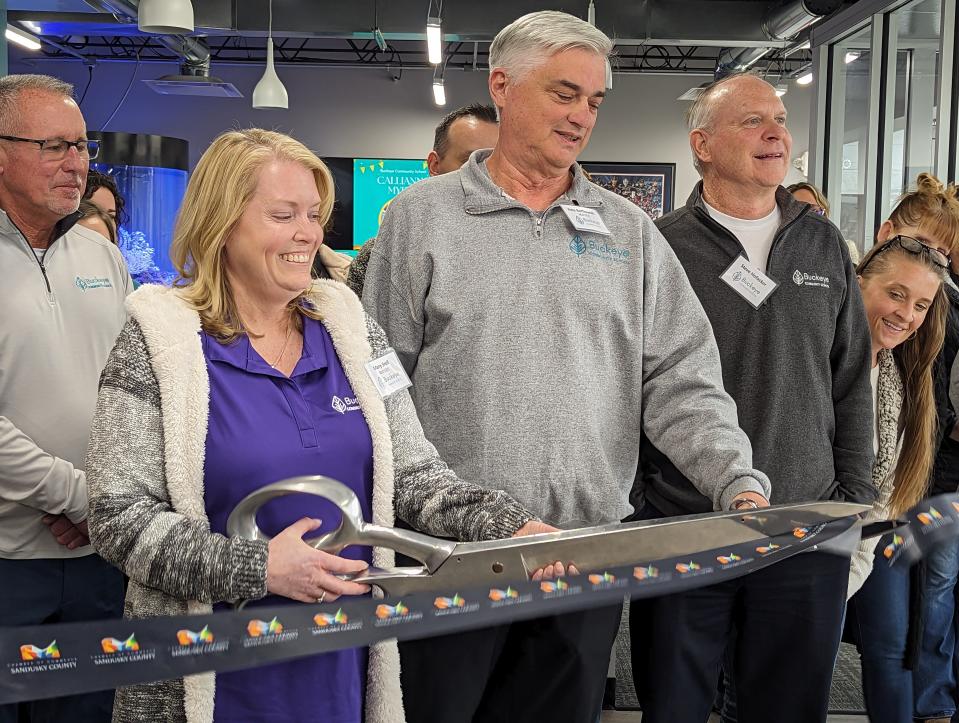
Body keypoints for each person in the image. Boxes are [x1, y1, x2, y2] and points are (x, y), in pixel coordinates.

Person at [362, 11, 771, 722]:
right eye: (563, 93)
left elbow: (681, 376)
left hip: (583, 556)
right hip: (452, 557)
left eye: (594, 100)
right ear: (502, 87)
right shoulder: (419, 218)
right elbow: (380, 387)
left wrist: (734, 479)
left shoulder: (628, 229)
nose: (582, 115)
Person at [85, 128, 555, 723]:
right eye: (283, 215)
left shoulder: (354, 334)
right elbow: (118, 516)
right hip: (211, 675)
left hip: (338, 668)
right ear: (221, 224)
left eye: (313, 214)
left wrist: (512, 529)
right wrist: (257, 569)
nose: (308, 233)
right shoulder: (159, 342)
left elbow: (416, 476)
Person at [633, 73, 875, 723]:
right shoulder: (658, 246)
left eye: (779, 118)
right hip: (683, 524)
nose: (776, 132)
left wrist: (852, 503)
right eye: (751, 121)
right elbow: (630, 384)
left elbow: (853, 381)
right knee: (674, 706)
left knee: (789, 707)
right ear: (702, 144)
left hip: (804, 526)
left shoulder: (823, 242)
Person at [0, 74, 130, 723]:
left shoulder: (101, 257)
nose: (76, 163)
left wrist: (102, 500)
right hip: (9, 559)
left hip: (96, 558)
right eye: (54, 146)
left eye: (82, 146)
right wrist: (75, 495)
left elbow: (133, 394)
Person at [844, 181, 954, 723]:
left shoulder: (905, 366)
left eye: (923, 300)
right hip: (810, 533)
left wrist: (856, 564)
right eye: (896, 291)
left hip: (878, 523)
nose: (908, 310)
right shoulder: (828, 351)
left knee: (891, 646)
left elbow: (889, 482)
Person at [899, 176, 959, 723]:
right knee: (932, 588)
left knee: (937, 588)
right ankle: (929, 699)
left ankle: (933, 699)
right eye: (924, 244)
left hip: (938, 468)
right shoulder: (897, 302)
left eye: (944, 249)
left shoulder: (946, 303)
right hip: (920, 474)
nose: (933, 258)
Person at [346, 103, 499, 297]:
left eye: (494, 162)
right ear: (435, 165)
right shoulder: (381, 256)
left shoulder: (518, 253)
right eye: (471, 162)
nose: (485, 174)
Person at [788, 180, 861, 263]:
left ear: (824, 215)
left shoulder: (842, 250)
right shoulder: (775, 250)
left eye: (814, 211)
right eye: (799, 209)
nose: (808, 217)